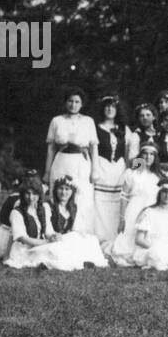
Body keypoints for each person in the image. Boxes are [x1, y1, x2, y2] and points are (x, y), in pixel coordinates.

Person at [44, 89, 98, 234]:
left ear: (81, 104)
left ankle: (80, 232)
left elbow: (93, 147)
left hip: (81, 162)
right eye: (70, 101)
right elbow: (51, 148)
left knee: (81, 195)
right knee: (60, 192)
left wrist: (95, 170)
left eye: (77, 102)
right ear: (65, 102)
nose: (73, 105)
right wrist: (47, 171)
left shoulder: (88, 121)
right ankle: (58, 229)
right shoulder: (57, 121)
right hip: (61, 161)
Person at [34, 175, 109, 270]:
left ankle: (87, 259)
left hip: (66, 238)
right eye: (60, 188)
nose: (63, 192)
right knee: (63, 248)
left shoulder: (73, 207)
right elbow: (47, 229)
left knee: (90, 239)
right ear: (55, 190)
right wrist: (53, 235)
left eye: (67, 189)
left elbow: (76, 229)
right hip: (52, 240)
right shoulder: (48, 205)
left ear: (72, 191)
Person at [92, 95, 133, 248]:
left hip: (119, 170)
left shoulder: (125, 129)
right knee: (100, 204)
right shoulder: (95, 128)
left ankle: (115, 239)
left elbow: (131, 156)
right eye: (107, 106)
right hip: (102, 168)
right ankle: (100, 239)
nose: (109, 109)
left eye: (113, 107)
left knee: (117, 205)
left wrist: (131, 170)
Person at [1, 177, 56, 269]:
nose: (31, 197)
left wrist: (53, 236)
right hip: (24, 248)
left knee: (59, 248)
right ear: (23, 195)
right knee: (44, 257)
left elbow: (48, 230)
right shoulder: (17, 213)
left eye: (34, 194)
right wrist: (46, 242)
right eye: (28, 193)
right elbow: (23, 239)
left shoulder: (44, 208)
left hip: (40, 244)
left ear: (39, 195)